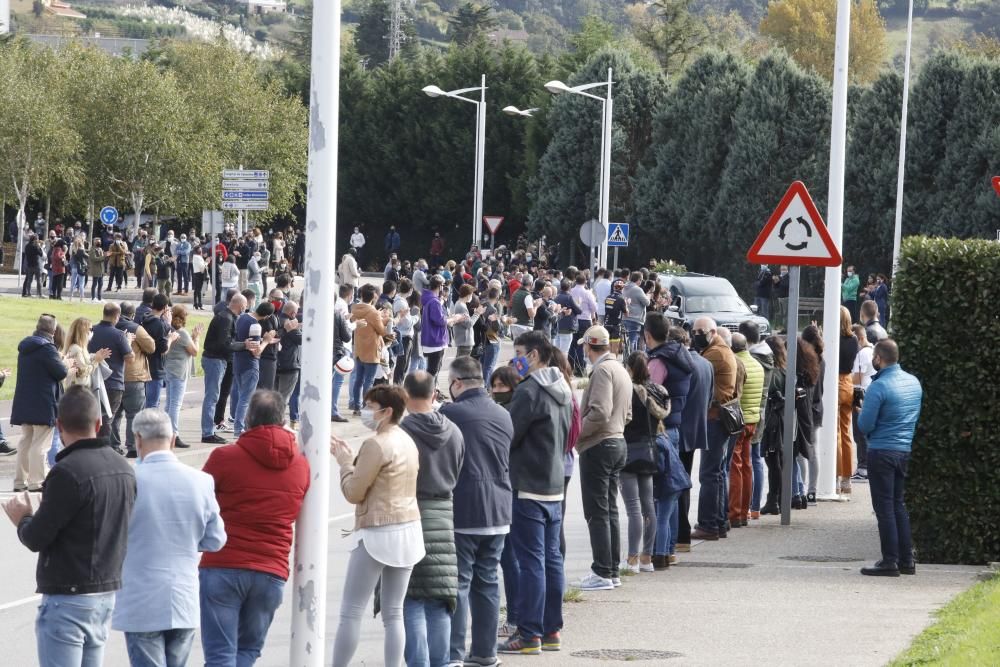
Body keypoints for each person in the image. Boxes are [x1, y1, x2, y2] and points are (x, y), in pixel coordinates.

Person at [3, 386, 136, 667]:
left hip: (69, 595)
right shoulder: (122, 467)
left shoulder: (67, 472)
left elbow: (37, 537)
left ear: (59, 425)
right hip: (105, 590)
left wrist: (23, 517)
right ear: (98, 423)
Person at [199, 390, 309, 664]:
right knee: (248, 650)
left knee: (220, 654)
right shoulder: (301, 466)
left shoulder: (223, 457)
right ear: (283, 419)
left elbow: (199, 503)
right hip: (270, 569)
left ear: (247, 419)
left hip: (223, 562)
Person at [112, 408, 226, 666]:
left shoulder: (128, 481)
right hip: (183, 595)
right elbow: (216, 539)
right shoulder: (201, 480)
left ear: (137, 439)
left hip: (141, 599)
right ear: (173, 439)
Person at [330, 385, 423, 667]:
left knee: (351, 611)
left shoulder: (376, 443)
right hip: (408, 529)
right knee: (394, 613)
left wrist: (345, 463)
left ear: (387, 411)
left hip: (378, 531)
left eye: (370, 407)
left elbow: (354, 492)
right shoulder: (407, 439)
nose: (366, 412)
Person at [499, 332, 572, 655]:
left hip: (528, 484)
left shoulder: (529, 391)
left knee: (531, 562)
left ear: (534, 355)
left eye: (519, 353)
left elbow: (509, 436)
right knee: (551, 559)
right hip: (554, 482)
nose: (515, 359)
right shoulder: (563, 388)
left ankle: (529, 633)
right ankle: (550, 627)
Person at [441, 357, 514, 667]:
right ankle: (486, 652)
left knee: (458, 581)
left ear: (456, 383)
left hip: (465, 507)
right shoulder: (503, 413)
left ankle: (453, 653)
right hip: (499, 508)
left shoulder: (451, 413)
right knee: (487, 581)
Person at [399, 372, 465, 667]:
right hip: (444, 513)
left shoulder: (403, 432)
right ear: (434, 393)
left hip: (411, 512)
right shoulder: (454, 430)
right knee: (440, 598)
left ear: (405, 394)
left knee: (411, 597)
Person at [857, 339, 923, 576]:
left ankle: (889, 561)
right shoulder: (913, 383)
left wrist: (861, 410)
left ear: (879, 359)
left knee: (883, 507)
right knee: (898, 504)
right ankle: (907, 560)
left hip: (881, 450)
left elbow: (865, 425)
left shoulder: (879, 387)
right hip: (903, 449)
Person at [576, 324, 633, 590]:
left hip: (599, 444)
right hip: (618, 440)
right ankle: (610, 570)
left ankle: (602, 571)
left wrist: (576, 435)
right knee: (609, 510)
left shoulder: (601, 371)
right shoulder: (620, 368)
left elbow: (599, 411)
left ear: (589, 346)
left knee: (597, 511)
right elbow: (627, 413)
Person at [690, 317, 739, 541]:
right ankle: (719, 520)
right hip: (721, 417)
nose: (695, 335)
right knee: (717, 473)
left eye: (699, 331)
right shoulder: (722, 349)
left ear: (711, 332)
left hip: (715, 418)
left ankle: (709, 524)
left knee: (709, 474)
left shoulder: (715, 354)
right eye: (693, 331)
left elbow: (694, 371)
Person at [620, 351, 669, 574]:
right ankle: (647, 557)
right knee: (649, 505)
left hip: (628, 449)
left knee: (633, 509)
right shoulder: (658, 391)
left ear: (629, 368)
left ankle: (631, 559)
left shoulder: (627, 391)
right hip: (650, 449)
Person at [11, 315, 71, 492]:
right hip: (43, 400)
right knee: (40, 444)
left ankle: (20, 482)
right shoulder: (47, 348)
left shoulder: (25, 346)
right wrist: (65, 362)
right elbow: (60, 373)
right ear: (53, 331)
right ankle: (36, 482)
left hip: (25, 399)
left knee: (25, 442)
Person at [201, 293, 255, 444]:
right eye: (244, 306)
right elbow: (224, 344)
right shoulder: (226, 318)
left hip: (217, 359)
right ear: (240, 305)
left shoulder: (226, 316)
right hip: (214, 359)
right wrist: (244, 345)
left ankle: (209, 430)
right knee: (212, 397)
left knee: (214, 396)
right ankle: (207, 433)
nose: (245, 308)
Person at [728, 333, 764, 527]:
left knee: (735, 466)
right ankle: (745, 510)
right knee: (747, 464)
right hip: (753, 420)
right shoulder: (757, 365)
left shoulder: (735, 365)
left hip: (738, 421)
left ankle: (734, 513)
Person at [741, 321, 774, 520]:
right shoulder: (769, 355)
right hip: (762, 411)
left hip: (749, 412)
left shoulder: (751, 359)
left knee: (747, 459)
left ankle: (746, 504)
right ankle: (754, 506)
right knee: (757, 459)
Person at [232, 302, 277, 437]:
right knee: (246, 398)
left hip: (238, 362)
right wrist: (267, 340)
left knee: (242, 396)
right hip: (250, 365)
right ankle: (240, 429)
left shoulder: (243, 317)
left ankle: (241, 426)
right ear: (267, 316)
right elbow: (256, 351)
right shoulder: (255, 325)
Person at [164, 305, 202, 449]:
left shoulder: (170, 330)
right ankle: (174, 434)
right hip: (179, 372)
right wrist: (197, 338)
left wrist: (192, 338)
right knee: (175, 404)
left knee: (169, 403)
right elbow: (194, 351)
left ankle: (167, 432)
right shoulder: (182, 333)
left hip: (169, 369)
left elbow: (185, 346)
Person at [350, 283, 391, 414]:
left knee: (358, 380)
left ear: (361, 295)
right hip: (372, 350)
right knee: (369, 381)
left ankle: (356, 407)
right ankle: (366, 407)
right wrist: (387, 320)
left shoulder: (355, 308)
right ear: (373, 297)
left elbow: (369, 323)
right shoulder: (373, 312)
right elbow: (381, 330)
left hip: (359, 349)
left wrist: (380, 318)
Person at [759, 335, 788, 515]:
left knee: (773, 461)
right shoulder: (786, 371)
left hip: (772, 420)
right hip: (784, 419)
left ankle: (773, 499)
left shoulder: (772, 373)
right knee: (780, 461)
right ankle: (778, 497)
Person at [421, 275, 463, 382]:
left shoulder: (429, 299)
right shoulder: (434, 301)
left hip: (431, 339)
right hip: (436, 340)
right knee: (432, 372)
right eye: (443, 286)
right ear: (440, 286)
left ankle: (431, 393)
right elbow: (440, 321)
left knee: (432, 370)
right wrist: (454, 319)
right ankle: (429, 395)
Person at [837, 306, 860, 496]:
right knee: (846, 433)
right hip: (848, 383)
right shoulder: (853, 339)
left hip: (835, 384)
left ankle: (835, 476)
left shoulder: (832, 339)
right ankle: (847, 478)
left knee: (835, 432)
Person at [140, 293, 175, 409]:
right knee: (153, 404)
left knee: (147, 403)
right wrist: (170, 338)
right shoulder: (159, 324)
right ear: (165, 308)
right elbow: (163, 349)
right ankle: (150, 427)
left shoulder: (145, 318)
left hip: (145, 365)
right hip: (156, 368)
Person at [851, 324, 876, 481]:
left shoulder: (863, 354)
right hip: (866, 392)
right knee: (862, 433)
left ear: (860, 338)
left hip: (860, 393)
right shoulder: (871, 350)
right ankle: (864, 466)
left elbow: (857, 377)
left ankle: (863, 467)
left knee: (860, 433)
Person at [275, 301, 303, 410]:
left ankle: (271, 422)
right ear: (292, 313)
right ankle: (277, 423)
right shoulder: (290, 324)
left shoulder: (276, 320)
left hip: (276, 364)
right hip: (289, 365)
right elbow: (301, 339)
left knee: (275, 397)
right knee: (283, 399)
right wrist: (298, 328)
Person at [452, 284, 484, 358]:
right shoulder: (461, 306)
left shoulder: (460, 304)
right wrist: (477, 313)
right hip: (465, 342)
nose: (472, 296)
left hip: (463, 341)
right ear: (467, 295)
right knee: (461, 366)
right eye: (471, 294)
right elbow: (469, 324)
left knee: (460, 365)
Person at [622, 271, 650, 352]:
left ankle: (625, 355)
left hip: (625, 317)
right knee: (633, 340)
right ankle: (632, 359)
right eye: (641, 280)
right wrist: (648, 296)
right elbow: (647, 303)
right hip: (635, 318)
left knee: (626, 339)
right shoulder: (637, 289)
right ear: (639, 280)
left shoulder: (624, 287)